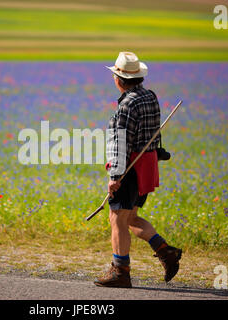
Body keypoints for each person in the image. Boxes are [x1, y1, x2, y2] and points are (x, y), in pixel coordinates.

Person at [94, 52, 182, 288]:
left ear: (118, 79)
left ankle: (120, 272)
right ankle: (166, 253)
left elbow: (120, 143)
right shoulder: (150, 97)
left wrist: (114, 177)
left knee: (117, 219)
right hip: (147, 165)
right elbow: (154, 131)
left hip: (130, 169)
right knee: (130, 218)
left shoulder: (126, 106)